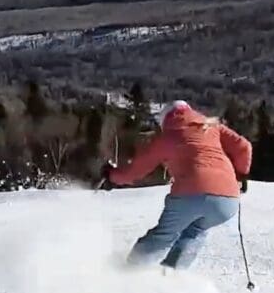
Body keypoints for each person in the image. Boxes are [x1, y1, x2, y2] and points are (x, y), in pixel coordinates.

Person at [102, 100, 252, 269]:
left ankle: (128, 272)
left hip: (190, 194)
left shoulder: (168, 137)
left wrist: (112, 176)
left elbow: (137, 170)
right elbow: (244, 146)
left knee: (163, 236)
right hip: (228, 200)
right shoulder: (211, 126)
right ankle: (172, 276)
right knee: (194, 232)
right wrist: (241, 175)